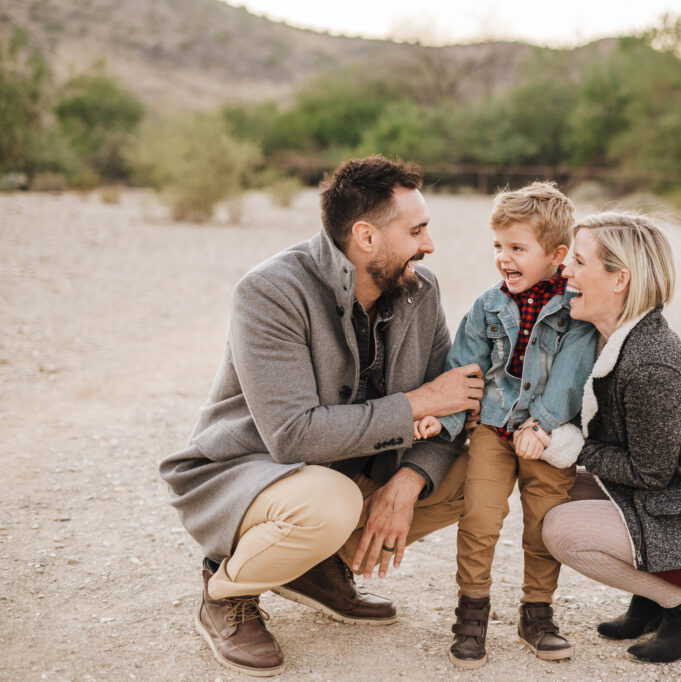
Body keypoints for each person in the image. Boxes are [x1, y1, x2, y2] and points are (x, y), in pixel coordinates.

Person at [158, 156, 485, 677]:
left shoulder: (421, 290)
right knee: (329, 502)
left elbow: (455, 406)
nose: (429, 246)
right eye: (417, 230)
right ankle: (224, 593)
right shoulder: (269, 291)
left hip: (346, 476)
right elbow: (293, 437)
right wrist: (419, 403)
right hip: (248, 471)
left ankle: (312, 566)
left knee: (477, 473)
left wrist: (410, 478)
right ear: (366, 237)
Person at [540, 212, 681, 664]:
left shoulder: (648, 365)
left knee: (561, 531)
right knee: (552, 491)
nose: (566, 271)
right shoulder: (609, 339)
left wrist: (571, 447)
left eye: (579, 262)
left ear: (619, 279)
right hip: (677, 499)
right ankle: (652, 600)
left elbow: (650, 472)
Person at [416, 182, 597, 669]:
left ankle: (536, 611)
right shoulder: (487, 306)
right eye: (498, 246)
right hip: (493, 432)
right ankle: (472, 611)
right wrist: (445, 418)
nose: (504, 258)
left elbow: (571, 375)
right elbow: (464, 369)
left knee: (544, 524)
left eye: (518, 248)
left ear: (558, 254)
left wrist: (543, 424)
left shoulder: (574, 309)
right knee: (479, 519)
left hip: (543, 437)